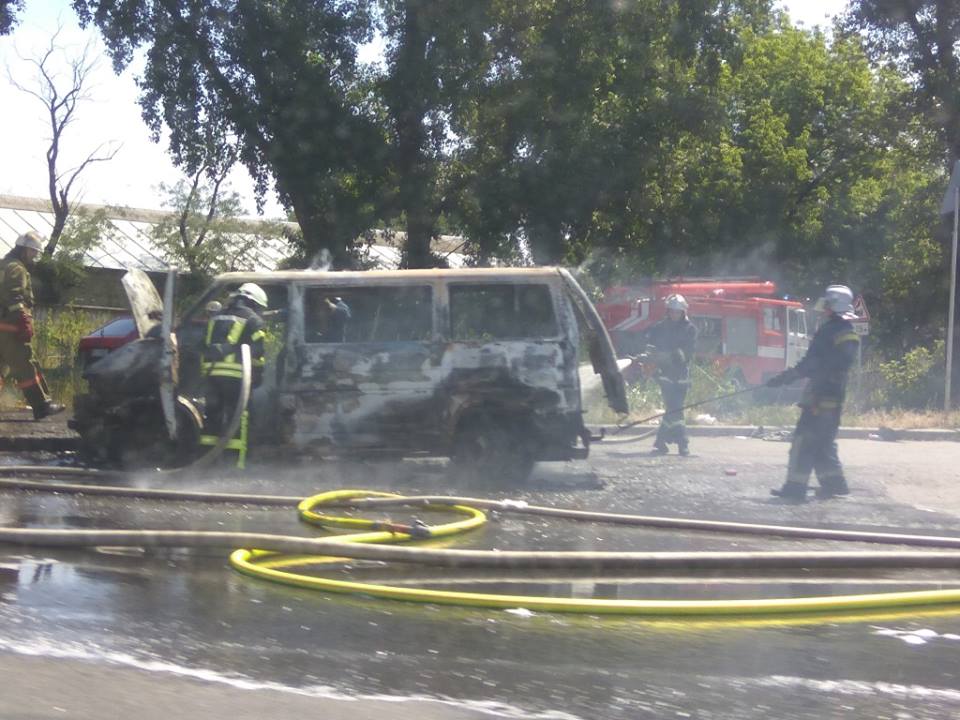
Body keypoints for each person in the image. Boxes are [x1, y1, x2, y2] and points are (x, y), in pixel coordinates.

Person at [767, 284, 860, 502]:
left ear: (833, 306)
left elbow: (812, 363)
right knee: (823, 443)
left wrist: (787, 377)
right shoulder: (846, 332)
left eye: (827, 305)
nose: (823, 309)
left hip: (820, 397)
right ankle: (835, 485)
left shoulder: (829, 331)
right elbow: (829, 364)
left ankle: (795, 488)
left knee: (804, 442)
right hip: (833, 396)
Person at [200, 283, 268, 464]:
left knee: (212, 416)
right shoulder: (253, 320)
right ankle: (236, 463)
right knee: (238, 418)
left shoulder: (217, 316)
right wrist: (258, 375)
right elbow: (258, 353)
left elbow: (204, 344)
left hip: (211, 374)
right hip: (236, 376)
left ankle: (206, 460)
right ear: (253, 302)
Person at [0, 232, 64, 420]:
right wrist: (23, 321)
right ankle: (42, 405)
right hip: (10, 328)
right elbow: (14, 296)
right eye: (33, 252)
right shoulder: (16, 268)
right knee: (26, 366)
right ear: (25, 250)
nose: (35, 256)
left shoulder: (3, 264)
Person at [646, 294, 697, 456]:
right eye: (672, 311)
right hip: (664, 375)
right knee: (676, 409)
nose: (674, 314)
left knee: (673, 409)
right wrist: (653, 359)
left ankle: (661, 442)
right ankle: (682, 443)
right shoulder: (659, 328)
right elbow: (651, 347)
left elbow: (688, 353)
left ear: (683, 312)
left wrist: (672, 355)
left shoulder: (690, 329)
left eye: (678, 312)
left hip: (681, 376)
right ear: (668, 311)